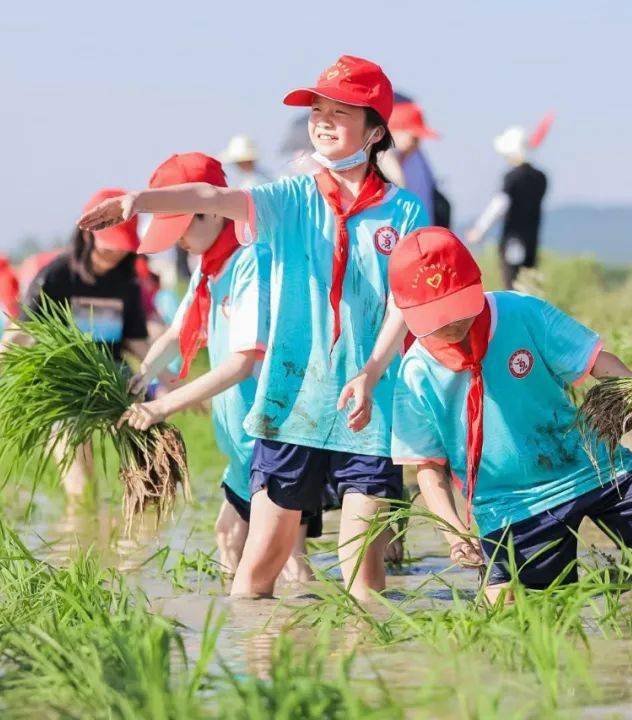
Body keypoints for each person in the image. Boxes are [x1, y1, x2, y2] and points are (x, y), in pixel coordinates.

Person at [79, 55, 427, 600]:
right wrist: (138, 202)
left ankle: (371, 674)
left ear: (376, 129)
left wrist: (373, 370)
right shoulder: (290, 198)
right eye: (318, 110)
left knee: (365, 582)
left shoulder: (406, 213)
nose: (323, 120)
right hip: (292, 406)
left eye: (341, 111)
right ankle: (263, 668)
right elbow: (210, 198)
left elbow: (402, 305)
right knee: (254, 581)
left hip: (369, 409)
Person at [388, 227, 632, 602]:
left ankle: (621, 589)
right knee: (510, 608)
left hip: (585, 463)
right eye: (436, 319)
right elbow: (428, 467)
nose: (451, 325)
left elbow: (594, 362)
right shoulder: (416, 373)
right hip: (507, 503)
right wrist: (453, 531)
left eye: (456, 309)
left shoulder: (521, 314)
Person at [117, 152, 315, 582]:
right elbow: (178, 328)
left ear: (211, 212)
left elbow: (241, 364)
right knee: (233, 539)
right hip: (243, 444)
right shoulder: (208, 269)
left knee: (285, 559)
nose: (178, 242)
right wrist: (145, 373)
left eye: (181, 228)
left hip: (272, 439)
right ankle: (256, 636)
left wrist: (162, 408)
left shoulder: (250, 262)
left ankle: (295, 636)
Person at [0, 188, 155, 499]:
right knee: (81, 486)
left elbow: (138, 343)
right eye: (109, 248)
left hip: (111, 381)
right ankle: (80, 537)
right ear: (88, 234)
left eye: (122, 249)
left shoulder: (127, 283)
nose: (115, 255)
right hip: (65, 386)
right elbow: (15, 337)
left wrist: (171, 382)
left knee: (146, 467)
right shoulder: (58, 275)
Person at [466, 126, 548, 290]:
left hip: (513, 240)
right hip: (532, 241)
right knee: (528, 287)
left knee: (512, 284)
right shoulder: (541, 178)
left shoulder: (512, 178)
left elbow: (499, 205)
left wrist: (479, 230)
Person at [389, 101, 449, 228]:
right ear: (396, 131)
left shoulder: (414, 160)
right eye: (414, 138)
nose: (416, 144)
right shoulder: (379, 159)